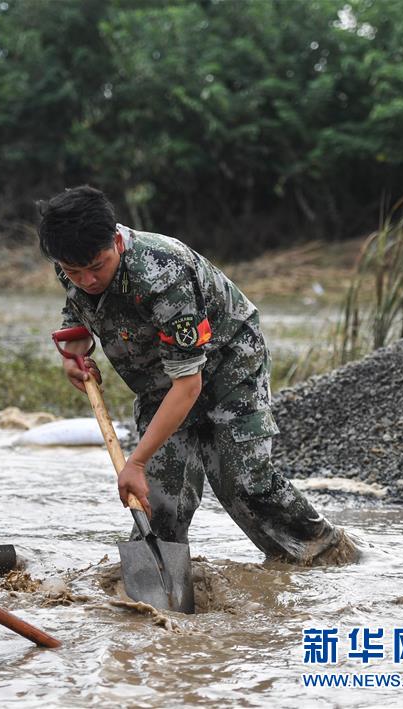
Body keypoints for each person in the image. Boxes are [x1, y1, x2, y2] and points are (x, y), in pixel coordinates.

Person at [38, 185, 357, 566]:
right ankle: (159, 580)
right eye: (74, 272)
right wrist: (73, 350)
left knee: (243, 483)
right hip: (157, 373)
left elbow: (189, 385)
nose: (88, 280)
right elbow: (78, 307)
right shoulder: (70, 260)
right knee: (158, 495)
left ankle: (328, 557)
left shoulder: (163, 273)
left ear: (116, 242)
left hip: (227, 364)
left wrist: (134, 463)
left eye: (97, 266)